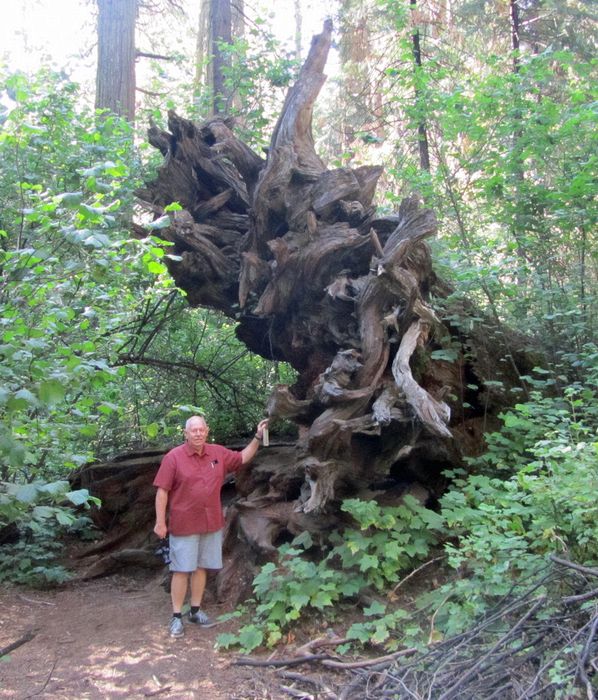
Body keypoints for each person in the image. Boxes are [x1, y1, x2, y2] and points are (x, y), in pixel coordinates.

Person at [153, 414, 269, 638]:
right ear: (186, 433)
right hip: (184, 524)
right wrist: (160, 522)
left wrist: (257, 437)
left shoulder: (217, 453)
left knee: (200, 567)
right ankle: (176, 617)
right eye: (193, 430)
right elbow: (162, 491)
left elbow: (243, 457)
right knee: (181, 570)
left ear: (207, 431)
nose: (197, 433)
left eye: (201, 430)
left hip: (210, 523)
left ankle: (195, 611)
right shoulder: (173, 458)